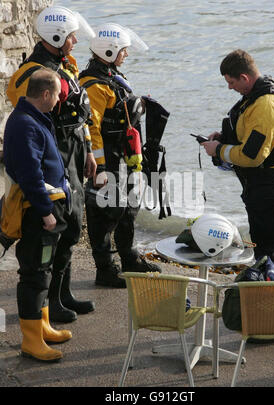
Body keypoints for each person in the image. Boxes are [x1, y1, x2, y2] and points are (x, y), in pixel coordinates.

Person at [6, 6, 97, 322]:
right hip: (54, 153)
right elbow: (32, 114)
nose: (75, 41)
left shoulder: (65, 65)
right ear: (56, 36)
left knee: (72, 224)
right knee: (57, 225)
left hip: (72, 151)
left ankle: (63, 293)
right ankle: (50, 303)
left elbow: (79, 113)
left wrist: (87, 150)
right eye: (71, 36)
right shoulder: (32, 73)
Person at [202, 49, 274, 276]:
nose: (230, 88)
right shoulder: (263, 91)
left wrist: (219, 150)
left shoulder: (265, 105)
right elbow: (262, 138)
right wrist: (224, 138)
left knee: (269, 252)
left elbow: (252, 157)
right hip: (270, 181)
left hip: (271, 185)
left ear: (244, 78)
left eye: (231, 82)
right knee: (265, 248)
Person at [79, 23, 161, 288]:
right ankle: (105, 269)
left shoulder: (111, 76)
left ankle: (129, 259)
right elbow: (91, 128)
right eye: (123, 50)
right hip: (108, 162)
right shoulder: (93, 85)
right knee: (104, 212)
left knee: (128, 208)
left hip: (123, 159)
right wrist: (100, 167)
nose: (126, 54)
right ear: (110, 51)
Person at [3, 68, 72, 362]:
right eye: (57, 95)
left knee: (43, 270)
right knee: (33, 273)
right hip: (37, 212)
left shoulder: (32, 119)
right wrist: (45, 212)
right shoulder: (25, 124)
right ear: (45, 94)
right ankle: (31, 341)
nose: (58, 101)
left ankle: (42, 325)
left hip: (47, 206)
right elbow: (30, 173)